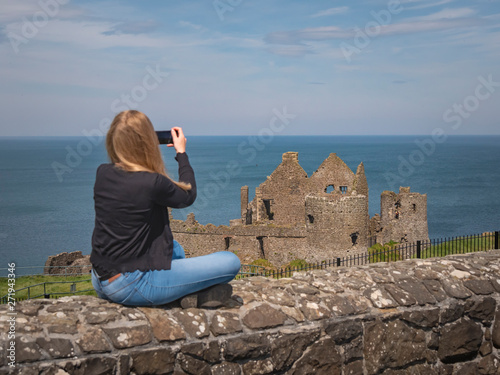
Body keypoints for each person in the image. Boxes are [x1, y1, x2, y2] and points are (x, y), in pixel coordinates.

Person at [90, 110, 241, 307]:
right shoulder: (152, 182)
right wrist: (181, 153)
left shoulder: (103, 172)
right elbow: (188, 195)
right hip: (130, 284)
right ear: (148, 142)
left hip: (100, 278)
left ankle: (177, 286)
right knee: (230, 261)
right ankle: (183, 289)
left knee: (174, 248)